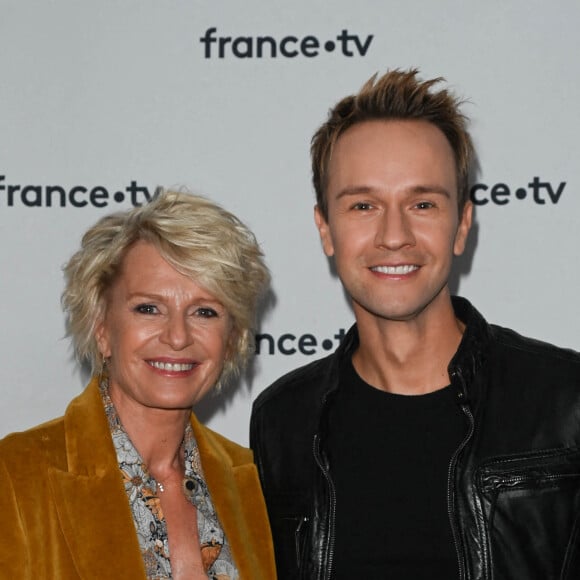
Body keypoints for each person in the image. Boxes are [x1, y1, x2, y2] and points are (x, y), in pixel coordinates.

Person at [250, 69, 580, 580]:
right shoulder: (282, 421)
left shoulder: (565, 399)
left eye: (422, 203)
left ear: (462, 225)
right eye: (363, 205)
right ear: (325, 229)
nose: (394, 235)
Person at [0, 189, 276, 579]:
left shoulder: (251, 478)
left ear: (231, 339)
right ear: (101, 327)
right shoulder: (16, 474)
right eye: (149, 308)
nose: (178, 336)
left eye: (204, 311)